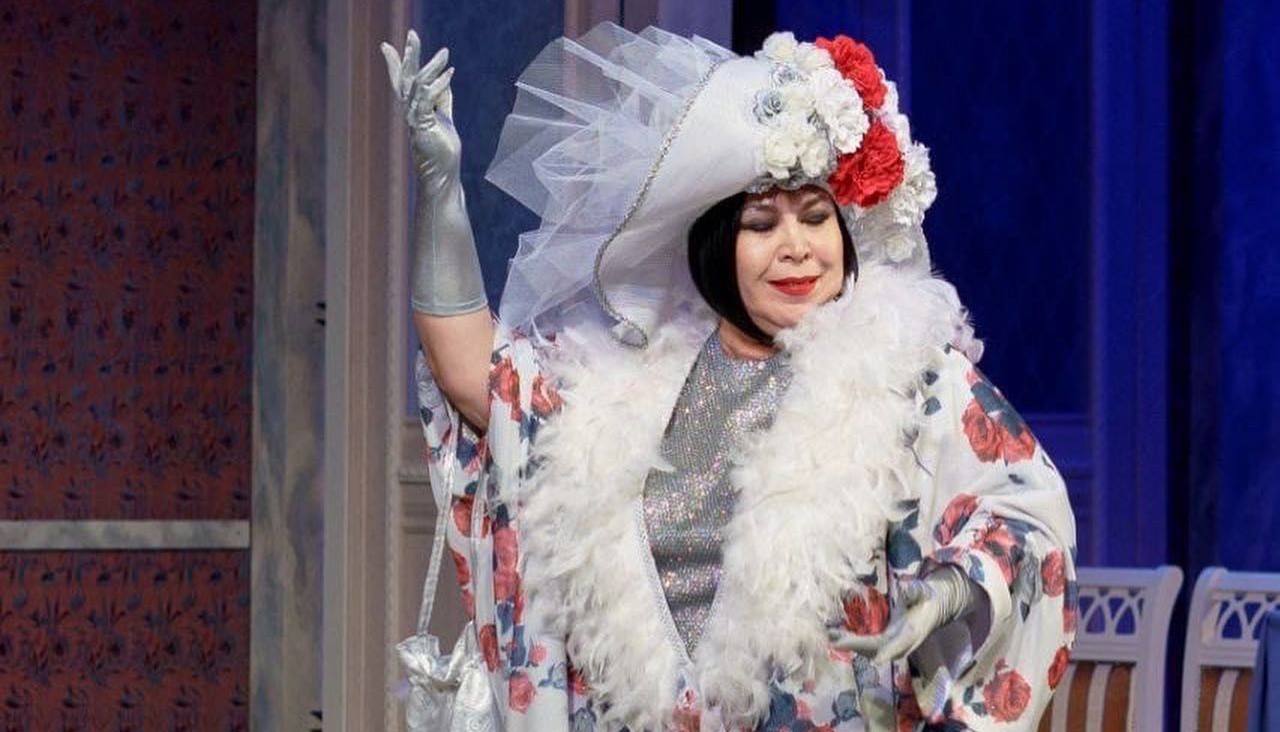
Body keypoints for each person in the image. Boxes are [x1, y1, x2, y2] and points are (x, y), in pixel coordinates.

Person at [383, 22, 1077, 732]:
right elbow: (474, 377)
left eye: (817, 218)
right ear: (716, 245)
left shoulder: (911, 375)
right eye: (761, 224)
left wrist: (951, 590)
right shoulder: (628, 374)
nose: (798, 248)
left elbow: (1028, 516)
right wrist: (441, 192)